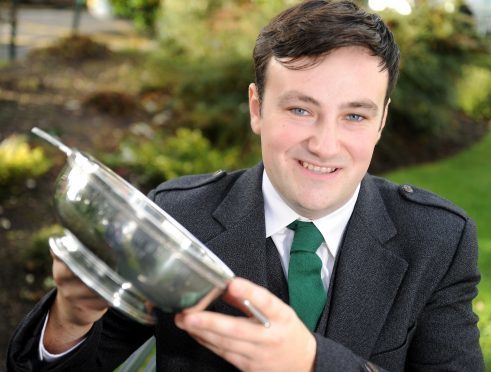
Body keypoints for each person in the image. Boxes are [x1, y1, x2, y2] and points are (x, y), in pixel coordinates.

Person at [7, 0, 485, 371]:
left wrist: (313, 364)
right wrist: (69, 321)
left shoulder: (437, 241)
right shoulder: (178, 220)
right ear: (257, 108)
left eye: (355, 116)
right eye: (300, 109)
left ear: (381, 121)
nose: (324, 143)